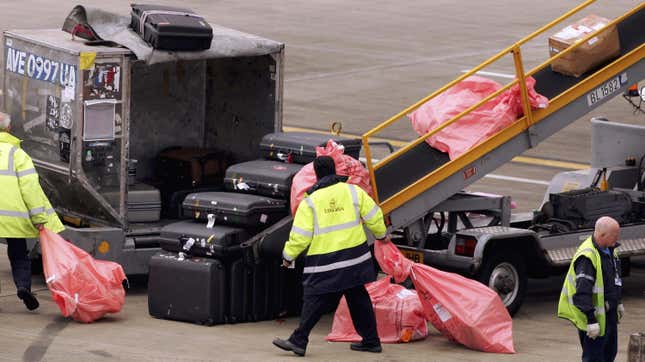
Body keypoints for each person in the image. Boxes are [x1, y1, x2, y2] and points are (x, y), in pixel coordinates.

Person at [273, 156, 387, 357]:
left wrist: (288, 256)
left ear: (316, 174)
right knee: (357, 296)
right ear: (334, 170)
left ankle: (299, 340)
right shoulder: (353, 191)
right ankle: (371, 341)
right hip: (355, 258)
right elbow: (374, 216)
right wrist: (381, 235)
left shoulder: (311, 201)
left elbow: (300, 236)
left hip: (326, 261)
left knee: (314, 297)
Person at [0, 112, 64, 310]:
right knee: (19, 253)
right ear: (9, 129)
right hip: (14, 218)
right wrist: (38, 217)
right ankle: (23, 287)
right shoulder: (18, 155)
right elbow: (31, 189)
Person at [558, 216, 623, 362]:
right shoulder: (588, 257)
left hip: (609, 317)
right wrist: (591, 320)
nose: (617, 238)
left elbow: (614, 280)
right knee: (594, 358)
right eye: (614, 235)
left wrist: (618, 302)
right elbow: (581, 293)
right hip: (595, 321)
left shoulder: (611, 250)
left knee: (609, 355)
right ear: (602, 235)